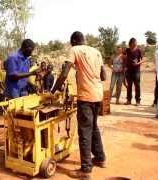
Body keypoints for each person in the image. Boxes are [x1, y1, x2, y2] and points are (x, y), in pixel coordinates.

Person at [52, 31, 106, 179]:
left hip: (86, 96)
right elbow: (104, 76)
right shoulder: (96, 51)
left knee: (84, 133)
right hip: (98, 94)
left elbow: (64, 74)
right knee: (94, 127)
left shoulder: (75, 50)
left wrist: (52, 91)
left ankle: (86, 170)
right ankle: (100, 159)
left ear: (74, 41)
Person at [124, 38, 145, 106]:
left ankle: (137, 101)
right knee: (129, 86)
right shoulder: (127, 50)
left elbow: (143, 59)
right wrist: (125, 64)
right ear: (131, 43)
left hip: (136, 71)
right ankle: (128, 100)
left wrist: (138, 63)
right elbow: (122, 56)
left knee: (137, 86)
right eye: (134, 43)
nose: (135, 44)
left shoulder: (139, 50)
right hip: (128, 71)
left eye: (135, 43)